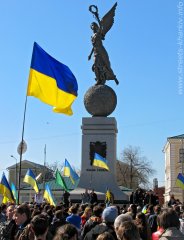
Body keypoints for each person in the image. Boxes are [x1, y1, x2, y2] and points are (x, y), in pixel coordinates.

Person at [88, 4, 119, 85]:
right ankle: (98, 80)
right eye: (91, 26)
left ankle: (114, 77)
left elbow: (101, 25)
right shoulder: (92, 36)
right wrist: (90, 55)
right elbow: (93, 46)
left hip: (101, 50)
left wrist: (97, 16)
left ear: (96, 26)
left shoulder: (99, 33)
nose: (93, 26)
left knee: (106, 64)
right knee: (95, 66)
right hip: (95, 52)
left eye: (94, 25)